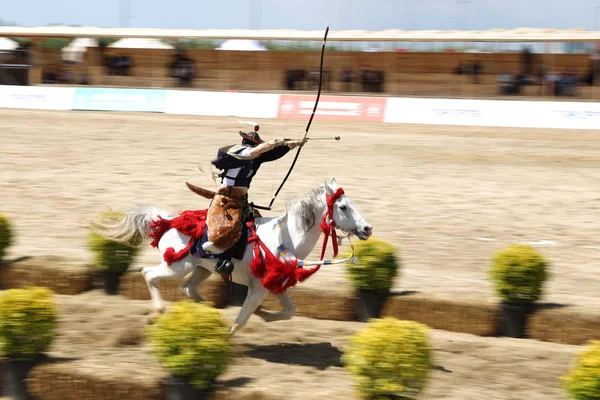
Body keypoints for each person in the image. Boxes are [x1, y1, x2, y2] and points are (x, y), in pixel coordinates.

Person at [202, 127, 306, 276]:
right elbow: (256, 152)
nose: (258, 148)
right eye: (256, 145)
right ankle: (220, 257)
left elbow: (274, 153)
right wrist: (274, 142)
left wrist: (293, 144)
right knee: (231, 225)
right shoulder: (239, 152)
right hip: (226, 198)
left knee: (256, 223)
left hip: (240, 199)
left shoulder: (256, 157)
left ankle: (252, 257)